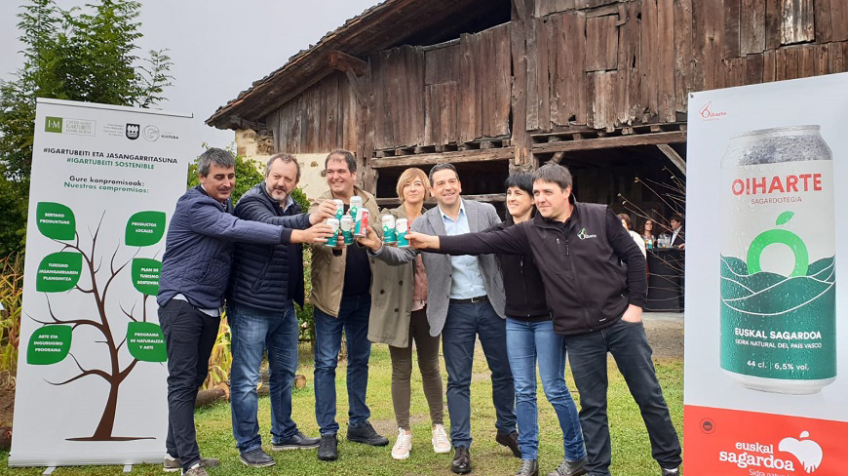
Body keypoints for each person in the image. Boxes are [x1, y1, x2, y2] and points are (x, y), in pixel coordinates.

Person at [406, 163, 682, 476]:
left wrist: (635, 307)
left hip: (620, 323)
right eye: (536, 193)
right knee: (592, 406)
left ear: (567, 191)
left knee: (648, 395)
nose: (540, 199)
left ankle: (670, 464)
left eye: (547, 192)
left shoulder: (597, 215)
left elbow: (633, 256)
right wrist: (431, 242)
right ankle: (597, 469)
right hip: (578, 332)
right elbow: (479, 242)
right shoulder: (531, 231)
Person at [157, 148, 332, 476]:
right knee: (184, 382)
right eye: (218, 177)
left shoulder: (225, 203)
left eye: (230, 176)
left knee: (193, 378)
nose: (226, 183)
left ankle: (174, 454)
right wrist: (302, 229)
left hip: (209, 305)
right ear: (202, 178)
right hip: (182, 301)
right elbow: (242, 229)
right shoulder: (196, 205)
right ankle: (190, 462)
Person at [363, 163, 518, 475]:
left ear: (459, 184)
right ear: (432, 191)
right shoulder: (424, 222)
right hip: (454, 309)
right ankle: (461, 445)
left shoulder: (485, 212)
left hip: (491, 304)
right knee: (458, 379)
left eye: (452, 181)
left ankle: (507, 428)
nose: (447, 187)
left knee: (504, 372)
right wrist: (379, 247)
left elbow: (503, 248)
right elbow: (404, 256)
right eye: (440, 183)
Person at [226, 154, 338, 467]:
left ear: (295, 182)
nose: (281, 183)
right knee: (247, 379)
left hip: (283, 306)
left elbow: (300, 236)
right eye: (277, 176)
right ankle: (248, 445)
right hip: (251, 304)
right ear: (267, 175)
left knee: (285, 374)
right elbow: (271, 227)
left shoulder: (293, 206)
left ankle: (284, 432)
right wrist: (309, 221)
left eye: (288, 179)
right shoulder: (251, 202)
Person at [356, 168, 449, 461]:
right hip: (398, 304)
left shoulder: (434, 220)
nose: (413, 188)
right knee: (401, 368)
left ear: (427, 190)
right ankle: (404, 432)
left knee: (431, 366)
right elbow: (378, 252)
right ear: (400, 190)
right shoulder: (388, 219)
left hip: (427, 302)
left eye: (418, 184)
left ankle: (438, 426)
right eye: (407, 184)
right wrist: (374, 245)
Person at [496, 173, 586, 476]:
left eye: (518, 193)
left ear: (533, 199)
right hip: (515, 322)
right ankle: (529, 458)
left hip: (547, 320)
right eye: (508, 193)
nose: (511, 198)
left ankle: (576, 455)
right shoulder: (501, 233)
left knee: (554, 388)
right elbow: (471, 242)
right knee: (523, 390)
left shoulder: (549, 233)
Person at [309, 149, 389, 462]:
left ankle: (358, 424)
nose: (335, 176)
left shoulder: (368, 201)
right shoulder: (320, 204)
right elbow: (311, 238)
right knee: (326, 364)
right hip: (330, 299)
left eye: (341, 171)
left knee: (360, 361)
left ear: (353, 174)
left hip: (363, 298)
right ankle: (327, 433)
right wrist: (330, 238)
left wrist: (371, 235)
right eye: (330, 171)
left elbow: (380, 237)